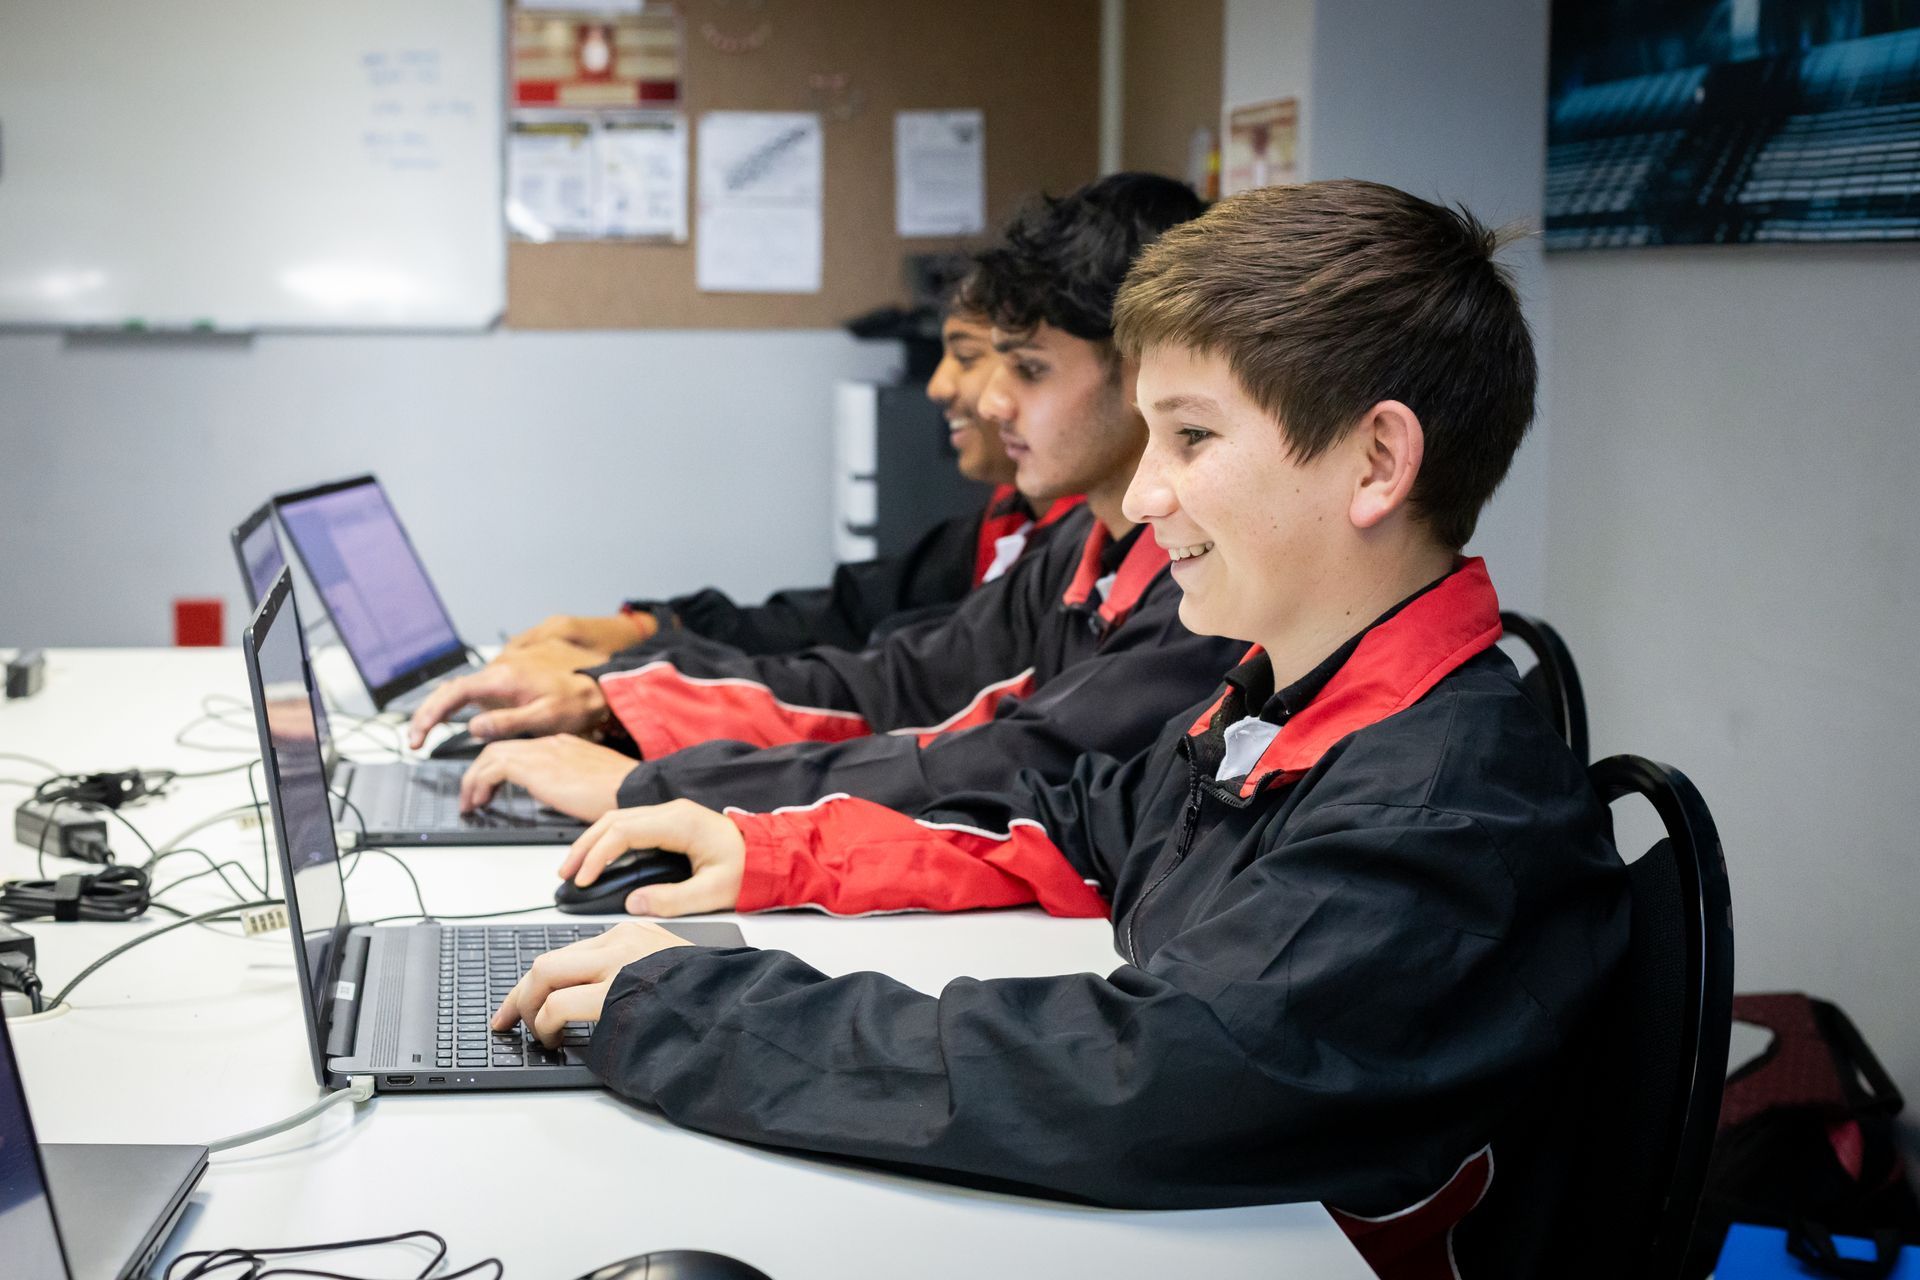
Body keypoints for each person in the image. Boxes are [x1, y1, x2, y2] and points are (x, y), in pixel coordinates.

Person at [490, 180, 1631, 1279]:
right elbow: (1072, 821)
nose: (1143, 497)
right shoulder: (1286, 702)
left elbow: (1130, 1073)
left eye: (1190, 439)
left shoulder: (1435, 811)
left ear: (1377, 462)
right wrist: (775, 850)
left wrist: (704, 1009)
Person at [408, 173, 1247, 832]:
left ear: (1143, 376)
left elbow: (1008, 765)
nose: (983, 399)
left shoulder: (1205, 602)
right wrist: (626, 693)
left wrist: (658, 780)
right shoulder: (1078, 551)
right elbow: (897, 684)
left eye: (1025, 370)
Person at [500, 285, 1077, 661]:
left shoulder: (1078, 556)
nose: (937, 386)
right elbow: (848, 615)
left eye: (972, 357)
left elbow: (905, 695)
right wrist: (652, 632)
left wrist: (637, 691)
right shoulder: (1008, 519)